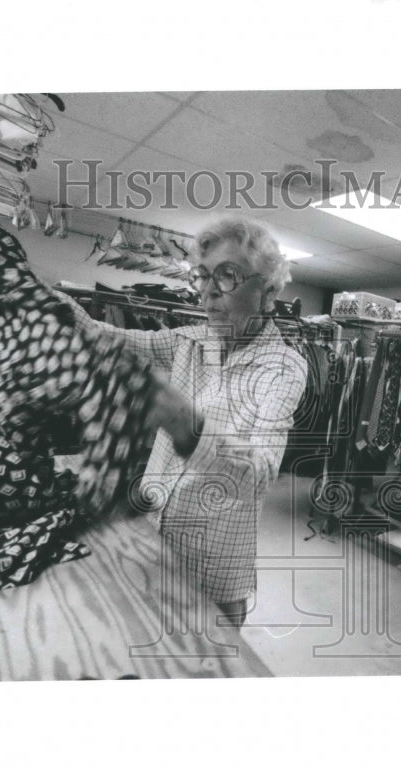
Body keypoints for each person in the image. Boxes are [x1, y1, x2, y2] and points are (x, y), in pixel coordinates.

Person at [63, 217, 307, 628]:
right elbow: (107, 339)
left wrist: (188, 429)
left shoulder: (284, 368)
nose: (209, 291)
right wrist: (56, 309)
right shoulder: (189, 341)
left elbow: (262, 471)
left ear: (267, 292)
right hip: (153, 536)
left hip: (215, 562)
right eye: (204, 276)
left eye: (228, 275)